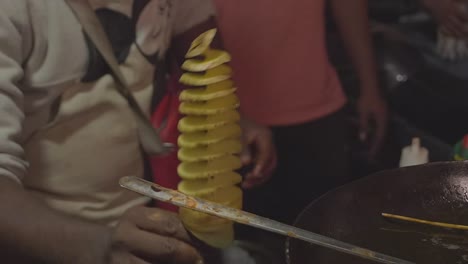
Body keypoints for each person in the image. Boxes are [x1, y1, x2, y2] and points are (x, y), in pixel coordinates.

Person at [0, 0, 275, 263]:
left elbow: (193, 27)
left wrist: (225, 114)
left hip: (144, 207)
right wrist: (100, 248)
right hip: (51, 241)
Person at [213, 0, 388, 224]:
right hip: (230, 122)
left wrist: (370, 86)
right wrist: (226, 111)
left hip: (316, 111)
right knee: (240, 246)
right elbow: (181, 26)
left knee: (323, 237)